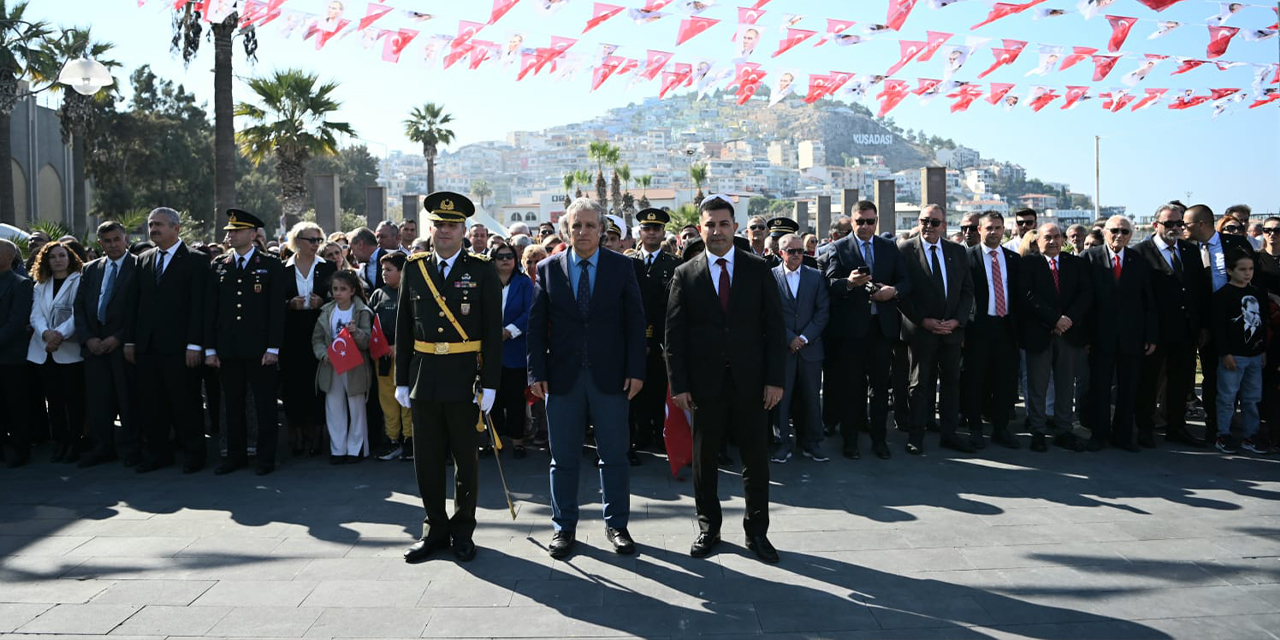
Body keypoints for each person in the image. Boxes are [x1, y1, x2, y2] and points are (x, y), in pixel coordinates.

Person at [665, 195, 785, 563]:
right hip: (704, 385)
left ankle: (757, 532)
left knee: (756, 460)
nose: (717, 231)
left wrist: (775, 380)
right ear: (700, 229)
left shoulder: (757, 269)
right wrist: (679, 385)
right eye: (710, 225)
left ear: (734, 226)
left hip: (752, 382)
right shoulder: (686, 273)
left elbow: (774, 329)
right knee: (704, 461)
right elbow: (674, 335)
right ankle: (709, 528)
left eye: (723, 224)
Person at [528, 197, 646, 560]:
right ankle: (563, 527)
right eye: (576, 225)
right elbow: (536, 326)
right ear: (567, 229)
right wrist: (536, 372)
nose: (582, 232)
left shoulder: (621, 267)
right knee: (562, 457)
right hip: (562, 379)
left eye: (590, 225)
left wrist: (636, 371)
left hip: (611, 378)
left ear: (602, 230)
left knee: (614, 455)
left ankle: (617, 525)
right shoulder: (548, 269)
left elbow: (635, 323)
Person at [397, 192, 502, 564]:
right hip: (424, 377)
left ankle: (462, 530)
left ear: (464, 230)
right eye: (439, 224)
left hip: (464, 379)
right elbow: (404, 329)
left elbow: (491, 330)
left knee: (465, 461)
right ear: (431, 228)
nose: (445, 231)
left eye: (452, 225)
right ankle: (433, 529)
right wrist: (401, 380)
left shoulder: (482, 269)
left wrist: (490, 383)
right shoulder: (414, 267)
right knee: (425, 460)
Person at [820, 200, 908, 460]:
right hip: (851, 331)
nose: (866, 226)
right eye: (860, 222)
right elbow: (829, 284)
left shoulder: (888, 247)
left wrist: (893, 291)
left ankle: (879, 440)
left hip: (881, 328)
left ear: (876, 221)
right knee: (851, 387)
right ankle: (850, 441)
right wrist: (848, 283)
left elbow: (905, 280)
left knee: (880, 387)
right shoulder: (838, 247)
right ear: (851, 221)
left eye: (870, 222)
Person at [127, 207, 211, 474]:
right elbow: (136, 305)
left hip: (182, 348)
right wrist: (131, 342)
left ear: (176, 228)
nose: (153, 229)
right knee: (152, 404)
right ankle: (158, 453)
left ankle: (194, 454)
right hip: (148, 347)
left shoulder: (196, 260)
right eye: (151, 224)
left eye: (159, 225)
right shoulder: (144, 259)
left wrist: (195, 344)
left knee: (185, 402)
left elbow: (200, 307)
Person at [204, 209, 286, 475]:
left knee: (264, 406)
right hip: (228, 348)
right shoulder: (218, 265)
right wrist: (211, 349)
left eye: (237, 231)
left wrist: (273, 347)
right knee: (232, 404)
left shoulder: (270, 264)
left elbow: (276, 310)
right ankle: (235, 455)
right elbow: (211, 311)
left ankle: (266, 457)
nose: (231, 235)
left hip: (260, 349)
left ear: (253, 234)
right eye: (229, 231)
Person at [897, 204, 975, 455]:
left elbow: (966, 291)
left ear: (944, 225)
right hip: (921, 331)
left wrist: (957, 321)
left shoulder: (956, 251)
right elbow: (902, 293)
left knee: (952, 383)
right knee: (919, 385)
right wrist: (923, 320)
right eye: (924, 221)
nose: (928, 226)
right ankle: (916, 436)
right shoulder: (905, 250)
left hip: (951, 331)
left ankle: (949, 434)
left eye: (934, 222)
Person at [1133, 204, 1208, 447]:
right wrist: (1146, 332)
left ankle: (1177, 427)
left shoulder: (1189, 250)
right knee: (1149, 382)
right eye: (1169, 224)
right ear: (1156, 225)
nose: (1175, 228)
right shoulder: (1140, 252)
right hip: (1155, 333)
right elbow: (1139, 297)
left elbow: (1197, 290)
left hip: (1185, 331)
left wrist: (1200, 326)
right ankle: (1144, 427)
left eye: (1179, 224)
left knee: (1181, 381)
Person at [1081, 216, 1157, 453]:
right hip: (1099, 337)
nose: (1119, 235)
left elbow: (1148, 301)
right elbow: (1083, 301)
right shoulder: (1089, 258)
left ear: (1131, 235)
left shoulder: (1138, 260)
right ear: (1104, 232)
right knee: (1099, 388)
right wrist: (1084, 337)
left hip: (1131, 337)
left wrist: (1151, 336)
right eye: (1114, 230)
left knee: (1128, 388)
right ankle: (1099, 434)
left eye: (1124, 231)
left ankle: (1124, 436)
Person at [73, 221, 140, 467]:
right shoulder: (90, 269)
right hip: (94, 345)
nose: (112, 245)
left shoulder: (139, 265)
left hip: (123, 345)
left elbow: (141, 309)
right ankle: (103, 447)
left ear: (126, 239)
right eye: (107, 241)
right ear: (100, 243)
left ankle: (133, 448)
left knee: (128, 399)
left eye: (116, 239)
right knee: (99, 400)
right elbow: (79, 306)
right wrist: (88, 338)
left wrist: (119, 337)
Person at [1019, 223, 1091, 452]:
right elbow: (1026, 295)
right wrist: (1053, 320)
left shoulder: (1076, 264)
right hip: (1040, 333)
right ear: (1038, 241)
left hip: (1068, 334)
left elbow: (1085, 294)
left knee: (1065, 385)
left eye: (1057, 237)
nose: (1053, 241)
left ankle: (1064, 430)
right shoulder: (1028, 264)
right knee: (1037, 385)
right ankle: (1038, 430)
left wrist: (1067, 319)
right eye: (1047, 237)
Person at [1185, 204, 1255, 437]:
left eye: (1187, 224)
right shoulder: (1189, 249)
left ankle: (1242, 426)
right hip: (1207, 324)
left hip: (1239, 321)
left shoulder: (1236, 243)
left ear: (1201, 224)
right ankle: (1215, 426)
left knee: (1240, 376)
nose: (1183, 228)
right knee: (1211, 375)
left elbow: (1254, 280)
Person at [961, 212, 1022, 449]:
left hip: (1006, 327)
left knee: (1005, 381)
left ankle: (1001, 428)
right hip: (978, 327)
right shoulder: (967, 258)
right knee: (976, 380)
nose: (994, 232)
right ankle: (975, 428)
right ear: (979, 230)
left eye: (998, 228)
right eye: (989, 228)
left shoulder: (1013, 259)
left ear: (1004, 230)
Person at [769, 232, 829, 463]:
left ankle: (812, 442)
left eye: (800, 251)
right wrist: (789, 339)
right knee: (781, 400)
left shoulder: (816, 276)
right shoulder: (771, 277)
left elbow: (823, 312)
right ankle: (782, 443)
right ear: (780, 253)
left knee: (812, 398)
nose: (796, 255)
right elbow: (769, 315)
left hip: (810, 349)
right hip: (784, 350)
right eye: (791, 251)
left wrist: (804, 338)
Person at [626, 208, 679, 465]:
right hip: (633, 337)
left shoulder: (674, 265)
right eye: (647, 229)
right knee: (634, 389)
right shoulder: (628, 262)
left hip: (661, 339)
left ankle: (660, 433)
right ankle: (640, 433)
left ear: (663, 233)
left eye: (656, 229)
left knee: (659, 388)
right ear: (640, 232)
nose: (651, 233)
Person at [27, 241, 85, 463]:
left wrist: (58, 335)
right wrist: (46, 335)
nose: (58, 260)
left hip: (69, 349)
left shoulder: (80, 281)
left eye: (62, 255)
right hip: (45, 349)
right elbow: (35, 316)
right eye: (53, 257)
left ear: (70, 258)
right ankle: (60, 442)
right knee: (55, 400)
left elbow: (77, 314)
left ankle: (75, 443)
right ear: (46, 261)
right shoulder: (40, 285)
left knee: (75, 400)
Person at [281, 222, 335, 457]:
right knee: (293, 384)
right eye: (311, 240)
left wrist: (321, 303)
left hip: (319, 331)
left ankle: (315, 434)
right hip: (291, 333)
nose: (315, 245)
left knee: (316, 384)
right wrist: (288, 305)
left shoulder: (328, 267)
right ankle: (296, 433)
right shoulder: (282, 268)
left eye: (318, 240)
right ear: (296, 241)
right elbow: (272, 303)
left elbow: (339, 297)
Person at [1212, 249, 1269, 454]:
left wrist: (1262, 350)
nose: (1247, 273)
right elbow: (1219, 328)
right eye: (1242, 269)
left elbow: (1262, 323)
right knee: (1227, 397)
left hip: (1254, 355)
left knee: (1252, 398)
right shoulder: (1223, 296)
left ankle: (1250, 435)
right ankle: (1223, 434)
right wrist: (1225, 353)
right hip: (1233, 355)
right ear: (1229, 270)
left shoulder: (1256, 292)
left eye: (1251, 269)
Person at [314, 269, 373, 464]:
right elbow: (318, 339)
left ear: (352, 291)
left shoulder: (362, 310)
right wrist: (323, 354)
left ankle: (356, 448)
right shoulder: (326, 311)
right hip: (332, 365)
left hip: (355, 365)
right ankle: (337, 448)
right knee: (333, 405)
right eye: (335, 289)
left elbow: (367, 342)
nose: (338, 293)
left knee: (356, 406)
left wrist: (356, 333)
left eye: (343, 289)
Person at [490, 241, 533, 459]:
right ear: (493, 260)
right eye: (500, 257)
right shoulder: (486, 282)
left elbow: (531, 312)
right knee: (492, 399)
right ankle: (494, 441)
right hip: (489, 351)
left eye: (509, 256)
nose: (505, 260)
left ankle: (518, 441)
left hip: (515, 350)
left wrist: (509, 331)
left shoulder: (524, 283)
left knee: (516, 399)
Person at [370, 252, 413, 462]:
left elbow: (417, 325)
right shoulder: (379, 294)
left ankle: (409, 441)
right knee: (387, 399)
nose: (384, 274)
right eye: (382, 270)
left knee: (406, 399)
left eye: (389, 270)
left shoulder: (412, 292)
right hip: (383, 357)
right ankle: (392, 439)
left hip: (406, 356)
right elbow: (372, 324)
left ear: (401, 271)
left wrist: (400, 346)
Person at [0, 239, 33, 467]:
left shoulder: (20, 284)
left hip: (11, 356)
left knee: (16, 405)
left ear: (9, 257)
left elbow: (16, 322)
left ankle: (20, 450)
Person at [349, 227, 384, 292]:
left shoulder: (388, 259)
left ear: (360, 245)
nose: (351, 253)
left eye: (352, 248)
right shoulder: (363, 265)